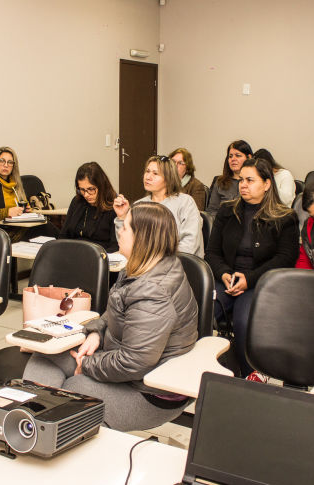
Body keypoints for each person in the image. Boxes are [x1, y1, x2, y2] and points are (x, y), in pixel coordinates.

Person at [23, 202, 198, 431]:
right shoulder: (142, 266)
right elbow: (115, 311)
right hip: (127, 367)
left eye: (125, 228)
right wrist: (96, 331)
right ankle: (30, 421)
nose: (119, 232)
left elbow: (134, 362)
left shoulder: (154, 291)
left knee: (73, 389)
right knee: (45, 355)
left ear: (142, 239)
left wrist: (87, 364)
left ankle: (36, 428)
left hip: (150, 392)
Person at [205, 159, 299, 377]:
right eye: (241, 180)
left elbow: (285, 259)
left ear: (267, 184)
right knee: (202, 312)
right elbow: (212, 253)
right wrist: (224, 274)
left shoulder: (285, 217)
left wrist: (250, 279)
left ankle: (250, 376)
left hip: (261, 282)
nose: (243, 185)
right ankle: (206, 369)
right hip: (226, 278)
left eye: (250, 180)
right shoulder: (227, 211)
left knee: (244, 320)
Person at [113, 155, 204, 257]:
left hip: (178, 266)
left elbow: (189, 246)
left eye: (155, 174)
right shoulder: (139, 205)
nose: (148, 177)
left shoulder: (185, 202)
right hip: (145, 265)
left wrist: (152, 259)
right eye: (147, 171)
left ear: (169, 178)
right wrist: (122, 217)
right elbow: (125, 243)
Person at [0, 146, 58, 241]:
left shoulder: (14, 184)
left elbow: (21, 205)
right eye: (2, 161)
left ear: (13, 166)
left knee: (46, 226)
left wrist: (27, 209)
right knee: (46, 229)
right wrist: (7, 212)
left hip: (18, 227)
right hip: (0, 234)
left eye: (10, 162)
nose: (6, 165)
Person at [59, 162, 118, 253]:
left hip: (98, 258)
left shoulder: (114, 206)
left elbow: (115, 246)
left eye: (91, 189)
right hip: (73, 254)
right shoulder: (77, 201)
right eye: (82, 190)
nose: (86, 195)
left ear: (101, 185)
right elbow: (63, 235)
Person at [206, 140, 253, 214]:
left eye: (238, 155)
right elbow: (211, 211)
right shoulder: (220, 181)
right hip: (222, 223)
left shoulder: (255, 182)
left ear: (249, 157)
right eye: (230, 156)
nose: (233, 159)